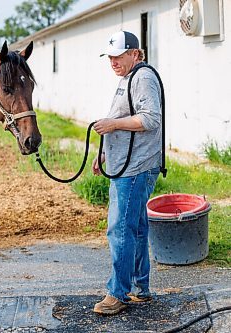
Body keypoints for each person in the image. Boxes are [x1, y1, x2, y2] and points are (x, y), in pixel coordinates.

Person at [92, 30, 162, 315]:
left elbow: (151, 119)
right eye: (110, 57)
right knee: (136, 228)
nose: (113, 61)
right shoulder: (127, 79)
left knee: (120, 229)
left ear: (135, 53)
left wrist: (112, 125)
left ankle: (117, 293)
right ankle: (140, 287)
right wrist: (106, 151)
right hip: (126, 163)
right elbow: (123, 116)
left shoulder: (143, 77)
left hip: (135, 168)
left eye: (118, 55)